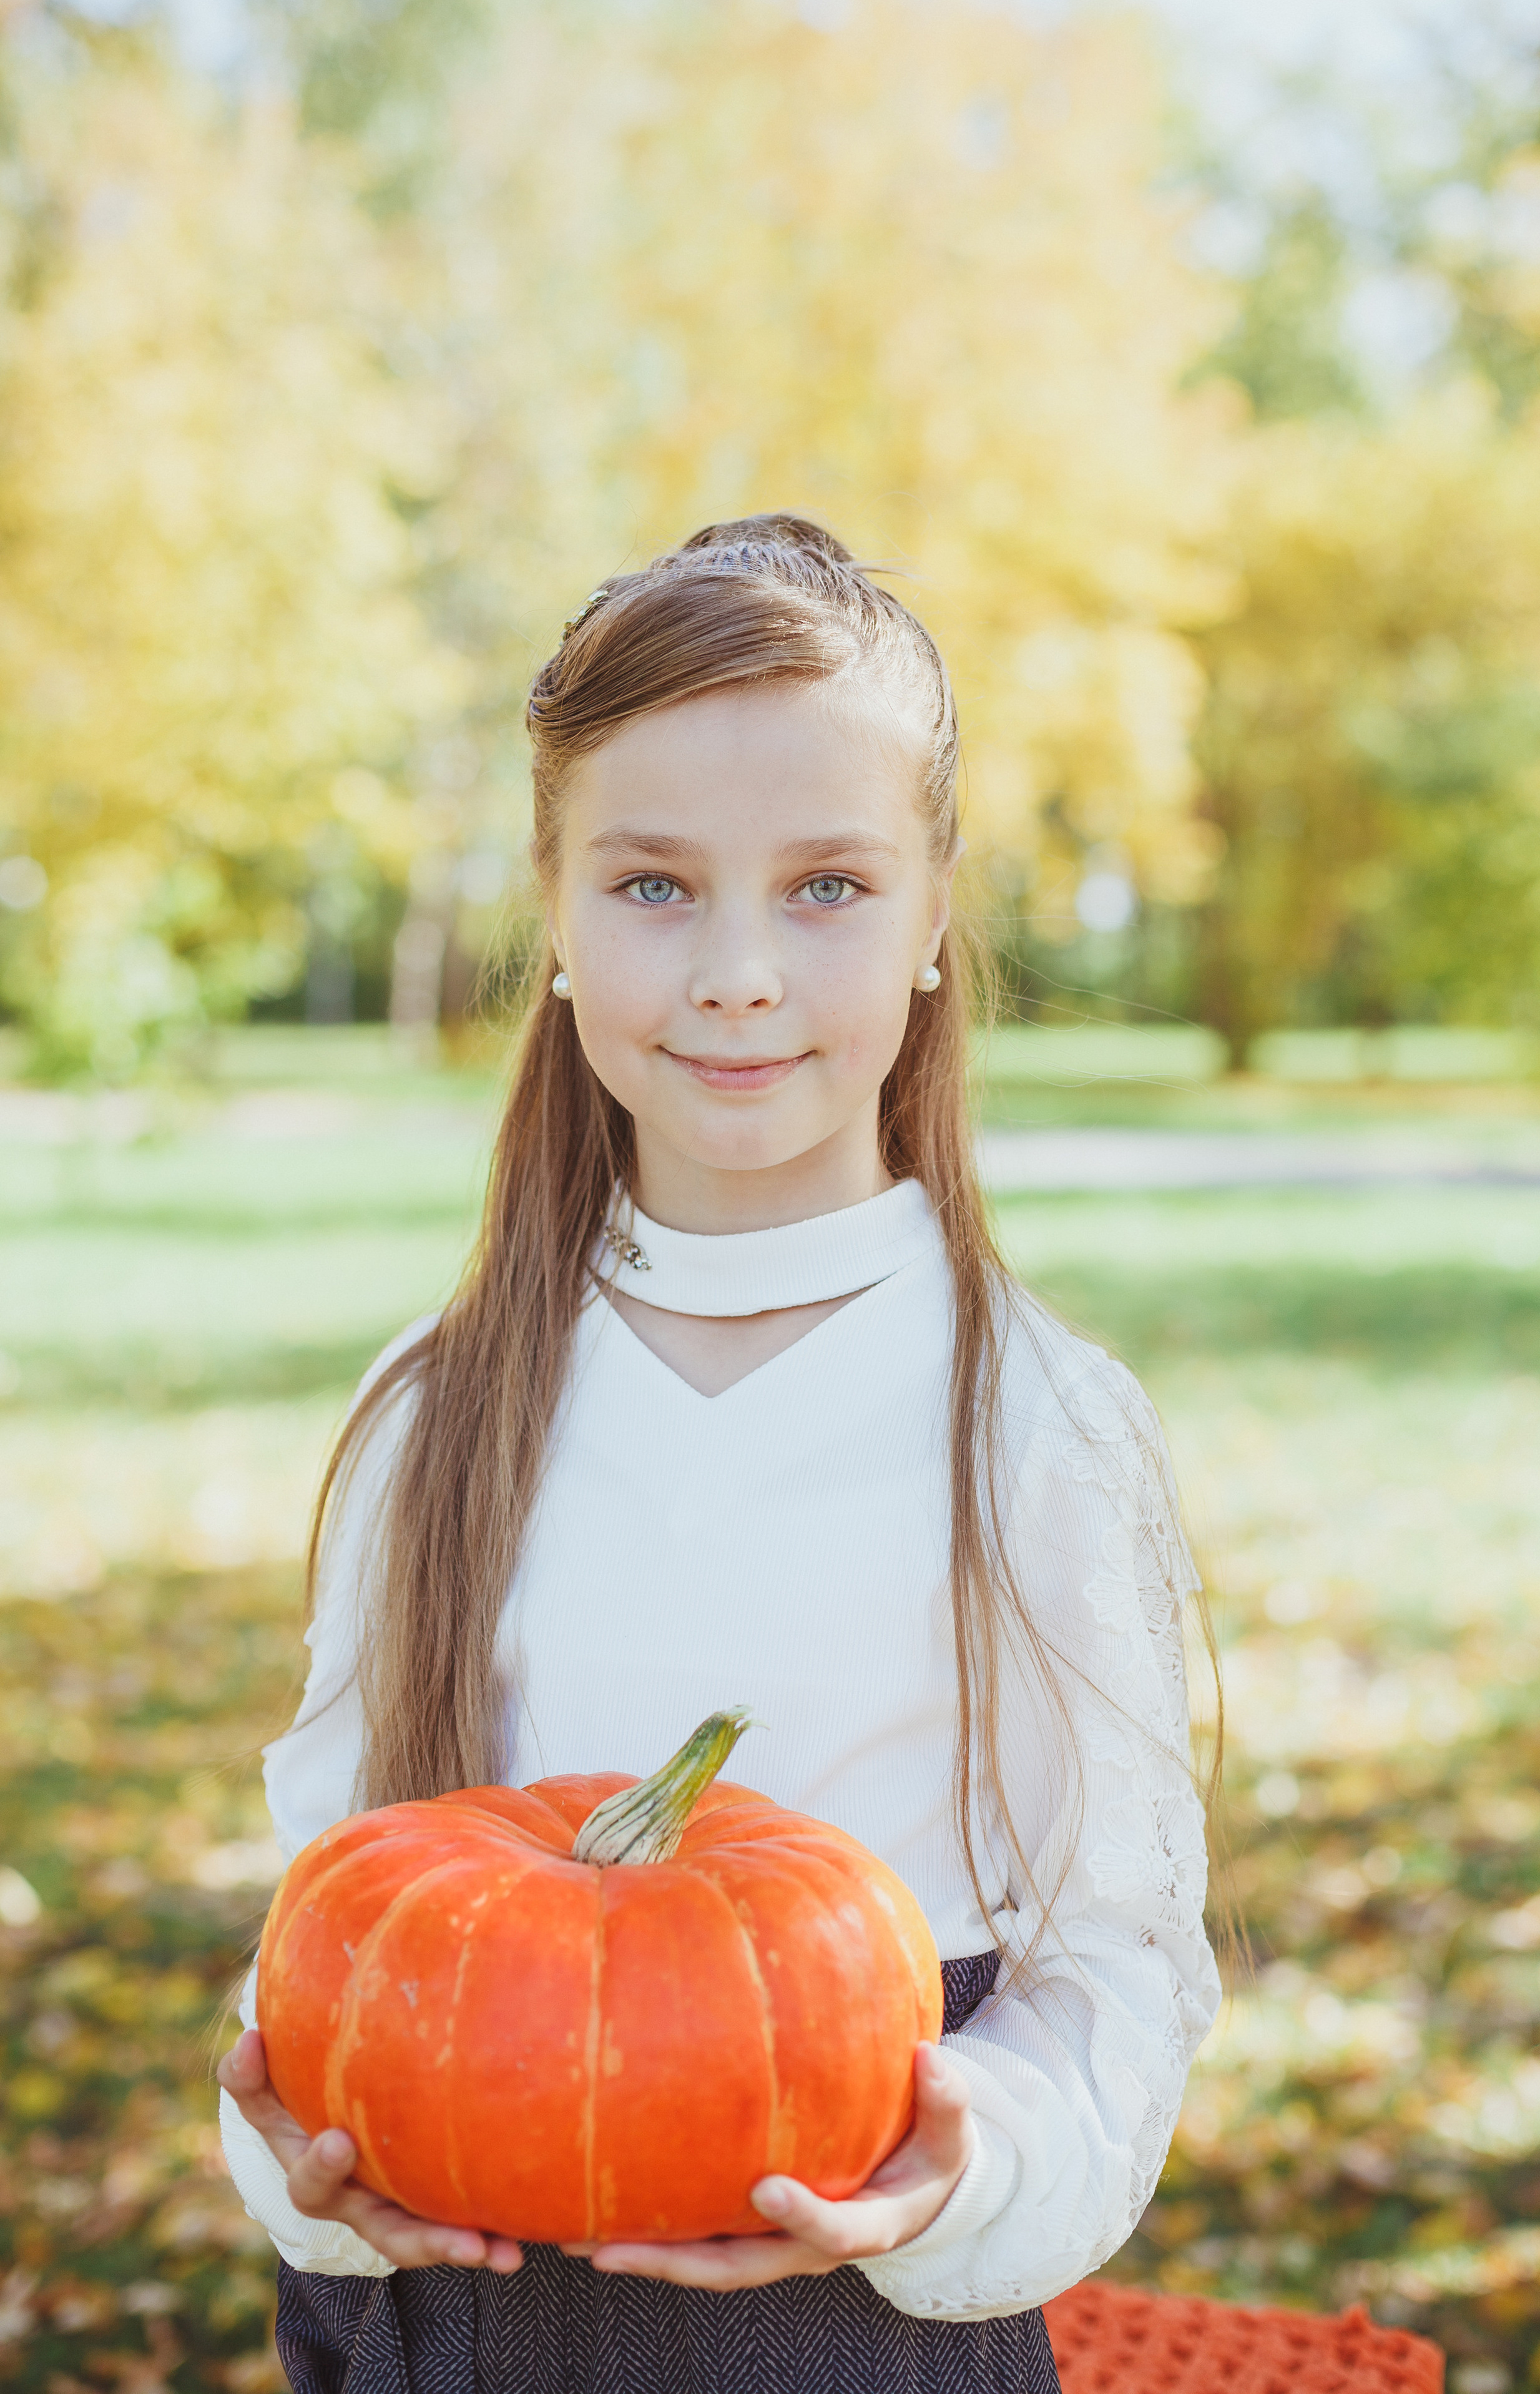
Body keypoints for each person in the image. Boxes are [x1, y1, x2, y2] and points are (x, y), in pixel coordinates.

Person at [217, 515, 1222, 2394]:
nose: (741, 971)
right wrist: (294, 2156)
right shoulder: (437, 1411)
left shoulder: (1035, 1423)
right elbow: (326, 1913)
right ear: (558, 920)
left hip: (853, 2326)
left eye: (828, 885)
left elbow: (1122, 1964)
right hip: (450, 2317)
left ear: (936, 917)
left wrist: (959, 2168)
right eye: (656, 887)